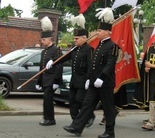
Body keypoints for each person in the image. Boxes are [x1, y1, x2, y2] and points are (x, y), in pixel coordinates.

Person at [63, 8, 119, 138]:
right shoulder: (99, 45)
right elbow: (93, 64)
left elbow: (110, 65)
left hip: (105, 84)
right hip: (94, 82)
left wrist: (102, 78)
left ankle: (110, 132)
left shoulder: (113, 46)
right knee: (87, 106)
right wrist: (90, 79)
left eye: (99, 31)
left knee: (108, 108)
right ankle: (77, 127)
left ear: (107, 32)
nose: (97, 33)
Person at [47, 18, 95, 126]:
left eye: (77, 38)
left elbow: (91, 66)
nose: (75, 40)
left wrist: (88, 79)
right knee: (72, 101)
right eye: (74, 38)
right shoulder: (74, 48)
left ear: (84, 38)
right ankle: (75, 122)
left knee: (80, 100)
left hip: (83, 81)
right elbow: (64, 58)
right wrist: (53, 62)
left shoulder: (89, 49)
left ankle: (90, 115)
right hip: (74, 80)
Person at [36, 16, 63, 126]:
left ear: (49, 39)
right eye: (41, 40)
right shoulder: (44, 52)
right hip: (45, 79)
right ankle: (48, 118)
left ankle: (50, 119)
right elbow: (41, 67)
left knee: (48, 99)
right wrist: (39, 81)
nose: (42, 42)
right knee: (46, 99)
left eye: (44, 40)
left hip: (52, 79)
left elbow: (59, 66)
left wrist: (56, 81)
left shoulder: (56, 50)